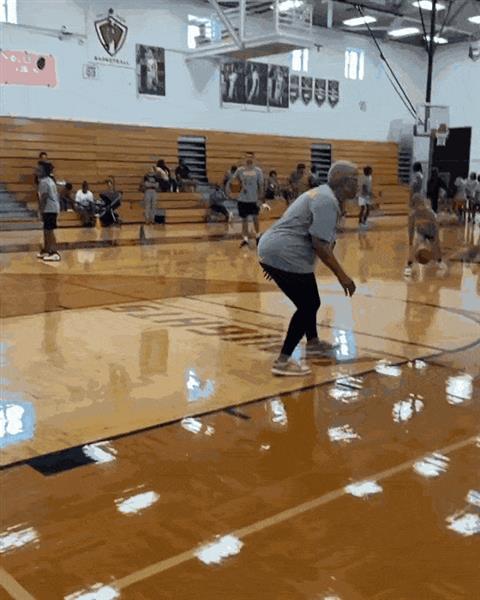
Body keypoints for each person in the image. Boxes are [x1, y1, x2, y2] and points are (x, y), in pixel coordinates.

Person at [257, 161, 358, 376]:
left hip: (280, 251)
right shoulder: (326, 201)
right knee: (309, 305)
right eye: (355, 179)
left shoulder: (325, 195)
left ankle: (312, 343)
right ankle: (282, 361)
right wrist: (342, 275)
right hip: (286, 253)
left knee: (310, 301)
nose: (359, 184)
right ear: (344, 182)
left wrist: (273, 261)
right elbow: (319, 244)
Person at [227, 154, 267, 248]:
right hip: (242, 199)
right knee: (244, 220)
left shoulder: (258, 171)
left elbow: (261, 185)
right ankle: (245, 239)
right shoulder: (240, 170)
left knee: (255, 218)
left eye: (251, 157)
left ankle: (257, 236)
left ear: (253, 159)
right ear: (245, 159)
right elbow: (233, 181)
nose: (249, 159)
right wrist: (232, 191)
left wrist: (260, 198)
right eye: (247, 157)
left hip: (253, 199)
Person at [404, 194, 446, 276]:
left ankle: (440, 262)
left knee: (436, 248)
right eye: (416, 204)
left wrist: (436, 238)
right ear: (414, 205)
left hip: (432, 232)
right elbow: (410, 228)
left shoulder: (430, 213)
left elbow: (436, 227)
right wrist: (410, 240)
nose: (420, 206)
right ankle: (409, 266)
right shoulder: (412, 215)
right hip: (421, 232)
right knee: (414, 246)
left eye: (421, 203)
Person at [36, 162, 61, 262]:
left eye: (39, 170)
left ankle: (54, 252)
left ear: (44, 171)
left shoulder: (44, 182)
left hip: (49, 209)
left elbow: (44, 198)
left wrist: (40, 211)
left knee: (49, 231)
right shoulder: (49, 180)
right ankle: (46, 250)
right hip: (52, 208)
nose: (37, 172)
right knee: (46, 230)